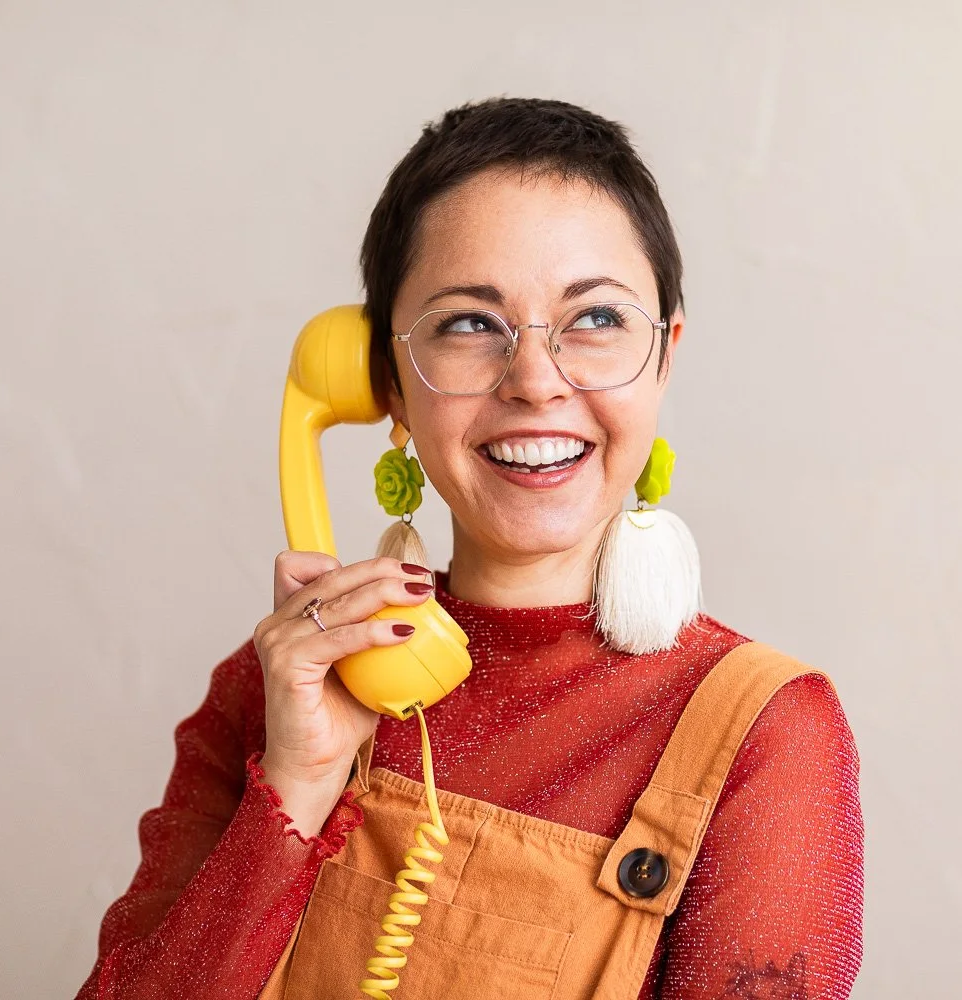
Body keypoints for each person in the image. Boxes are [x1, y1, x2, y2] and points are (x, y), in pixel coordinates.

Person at [76, 96, 863, 1000]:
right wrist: (296, 785)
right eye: (468, 323)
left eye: (597, 320)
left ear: (664, 357)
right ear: (387, 385)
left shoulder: (765, 731)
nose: (535, 383)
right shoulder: (273, 690)